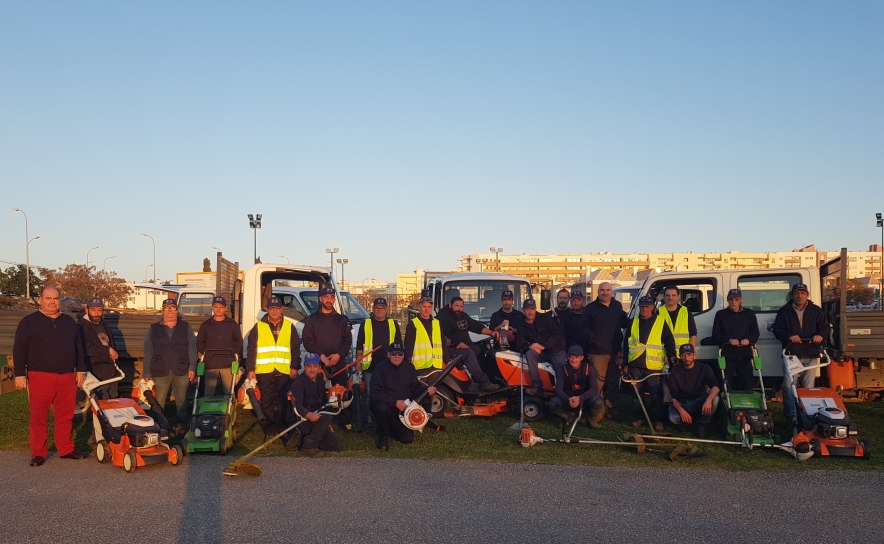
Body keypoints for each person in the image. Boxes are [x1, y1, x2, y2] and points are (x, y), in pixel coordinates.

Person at [13, 286, 89, 466]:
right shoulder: (28, 322)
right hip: (40, 376)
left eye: (55, 298)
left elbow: (78, 347)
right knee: (38, 417)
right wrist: (19, 374)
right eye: (48, 298)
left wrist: (80, 370)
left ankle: (66, 449)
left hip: (67, 376)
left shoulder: (69, 322)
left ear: (59, 300)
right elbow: (19, 349)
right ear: (41, 300)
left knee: (65, 416)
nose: (52, 302)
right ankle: (38, 453)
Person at [773, 283, 829, 428]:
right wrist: (789, 336)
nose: (799, 296)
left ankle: (807, 416)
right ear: (792, 295)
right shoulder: (784, 312)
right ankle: (791, 417)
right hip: (792, 354)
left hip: (811, 354)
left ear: (807, 295)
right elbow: (777, 330)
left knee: (808, 388)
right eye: (796, 293)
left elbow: (825, 328)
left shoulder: (816, 311)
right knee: (789, 387)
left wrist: (820, 335)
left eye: (802, 293)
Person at [246, 295, 301, 438]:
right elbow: (252, 349)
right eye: (272, 308)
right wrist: (251, 369)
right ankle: (269, 428)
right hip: (265, 371)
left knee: (283, 400)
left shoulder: (289, 326)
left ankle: (282, 427)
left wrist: (294, 366)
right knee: (267, 401)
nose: (275, 311)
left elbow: (295, 348)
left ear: (282, 309)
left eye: (277, 308)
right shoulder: (258, 327)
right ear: (267, 309)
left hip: (284, 370)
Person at [370, 342, 438, 450]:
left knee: (407, 439)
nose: (397, 356)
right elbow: (375, 393)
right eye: (393, 353)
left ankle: (389, 428)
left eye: (400, 353)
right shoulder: (380, 369)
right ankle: (383, 437)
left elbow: (415, 388)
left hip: (405, 408)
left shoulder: (409, 367)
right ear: (388, 354)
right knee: (381, 408)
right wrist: (395, 402)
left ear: (403, 355)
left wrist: (426, 391)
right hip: (387, 405)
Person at [142, 298, 198, 433]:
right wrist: (147, 373)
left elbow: (192, 349)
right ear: (162, 312)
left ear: (177, 311)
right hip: (160, 371)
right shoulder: (154, 329)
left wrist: (192, 368)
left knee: (182, 402)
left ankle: (181, 426)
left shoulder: (186, 327)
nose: (170, 312)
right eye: (167, 309)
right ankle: (160, 426)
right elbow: (148, 350)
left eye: (173, 308)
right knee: (159, 402)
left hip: (182, 370)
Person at [623, 295, 677, 432]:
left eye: (647, 306)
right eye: (642, 307)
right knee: (636, 395)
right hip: (635, 364)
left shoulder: (660, 321)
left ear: (652, 307)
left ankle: (658, 420)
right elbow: (626, 344)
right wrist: (625, 363)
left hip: (653, 367)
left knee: (656, 395)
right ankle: (639, 418)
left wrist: (672, 357)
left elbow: (669, 341)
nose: (644, 309)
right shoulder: (633, 322)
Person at [580, 282, 628, 416]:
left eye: (608, 290)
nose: (605, 293)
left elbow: (625, 322)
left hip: (615, 352)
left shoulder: (617, 306)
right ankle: (596, 411)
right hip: (598, 353)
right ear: (598, 292)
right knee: (597, 383)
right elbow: (583, 329)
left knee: (613, 382)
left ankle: (611, 408)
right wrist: (596, 341)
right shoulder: (590, 309)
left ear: (611, 291)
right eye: (602, 290)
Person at [435, 296, 501, 392]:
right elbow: (440, 336)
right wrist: (455, 343)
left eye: (461, 306)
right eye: (456, 306)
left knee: (482, 349)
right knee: (468, 352)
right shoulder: (442, 317)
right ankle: (484, 383)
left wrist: (491, 332)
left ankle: (492, 379)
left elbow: (476, 326)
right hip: (449, 350)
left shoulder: (462, 315)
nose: (459, 309)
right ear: (450, 305)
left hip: (464, 347)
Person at [288, 353, 343, 457]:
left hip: (317, 419)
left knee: (336, 446)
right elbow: (297, 407)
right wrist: (309, 414)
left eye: (315, 366)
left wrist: (326, 424)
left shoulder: (320, 381)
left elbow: (324, 402)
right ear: (304, 367)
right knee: (327, 416)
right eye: (309, 366)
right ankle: (308, 447)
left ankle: (299, 439)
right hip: (302, 419)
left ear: (319, 367)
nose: (312, 369)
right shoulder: (298, 383)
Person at [302, 285, 352, 387]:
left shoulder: (341, 320)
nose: (329, 300)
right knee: (317, 397)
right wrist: (322, 356)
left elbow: (347, 340)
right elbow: (307, 341)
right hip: (318, 365)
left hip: (338, 365)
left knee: (339, 396)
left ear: (334, 300)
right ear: (321, 299)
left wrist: (338, 355)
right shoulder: (312, 320)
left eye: (332, 297)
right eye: (326, 297)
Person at [666, 344, 720, 437]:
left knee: (715, 399)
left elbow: (716, 386)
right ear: (680, 356)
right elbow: (672, 397)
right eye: (683, 355)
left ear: (694, 355)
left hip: (699, 401)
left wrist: (708, 400)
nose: (687, 358)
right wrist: (681, 410)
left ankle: (702, 424)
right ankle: (686, 422)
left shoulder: (704, 368)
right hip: (682, 403)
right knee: (673, 418)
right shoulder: (675, 372)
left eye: (689, 354)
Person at [711, 289, 760, 391]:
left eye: (736, 299)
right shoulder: (720, 314)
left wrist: (748, 339)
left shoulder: (749, 314)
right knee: (725, 384)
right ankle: (725, 406)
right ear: (727, 300)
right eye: (731, 299)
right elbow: (715, 335)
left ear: (741, 300)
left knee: (747, 384)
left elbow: (755, 333)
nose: (733, 302)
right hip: (727, 354)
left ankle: (747, 406)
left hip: (745, 354)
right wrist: (729, 340)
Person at [517, 299, 566, 396]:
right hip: (540, 352)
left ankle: (563, 393)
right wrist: (530, 346)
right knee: (529, 354)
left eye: (532, 309)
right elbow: (520, 346)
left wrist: (543, 346)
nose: (530, 312)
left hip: (556, 349)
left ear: (535, 309)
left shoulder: (546, 318)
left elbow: (557, 334)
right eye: (527, 309)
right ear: (523, 310)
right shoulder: (521, 326)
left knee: (560, 372)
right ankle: (537, 386)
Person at [196, 296, 244, 395]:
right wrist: (206, 353)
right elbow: (199, 342)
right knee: (209, 391)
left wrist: (233, 352)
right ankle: (207, 411)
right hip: (211, 364)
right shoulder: (205, 325)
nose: (218, 309)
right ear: (212, 308)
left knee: (229, 391)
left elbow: (238, 341)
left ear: (225, 308)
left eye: (221, 307)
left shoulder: (232, 325)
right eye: (216, 307)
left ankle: (230, 410)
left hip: (228, 363)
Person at [548, 346, 605, 429]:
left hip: (584, 400)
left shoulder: (589, 369)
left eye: (577, 357)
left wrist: (580, 398)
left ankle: (591, 420)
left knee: (598, 401)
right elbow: (558, 390)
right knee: (552, 403)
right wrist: (568, 399)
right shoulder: (563, 370)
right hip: (569, 401)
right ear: (567, 357)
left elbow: (594, 389)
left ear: (582, 358)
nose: (574, 360)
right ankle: (567, 417)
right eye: (571, 357)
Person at [356, 297, 402, 393]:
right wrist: (358, 363)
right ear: (373, 309)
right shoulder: (366, 324)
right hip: (370, 366)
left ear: (387, 309)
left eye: (383, 308)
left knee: (389, 391)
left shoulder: (393, 324)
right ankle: (369, 408)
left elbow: (399, 345)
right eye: (377, 308)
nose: (380, 310)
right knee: (370, 393)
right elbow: (359, 345)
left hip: (389, 365)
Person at [80, 297, 120, 399]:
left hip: (111, 373)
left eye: (99, 310)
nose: (96, 313)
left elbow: (110, 344)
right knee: (101, 408)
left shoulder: (105, 325)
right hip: (96, 374)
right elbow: (86, 348)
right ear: (87, 310)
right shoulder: (83, 328)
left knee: (113, 406)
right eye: (93, 310)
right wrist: (108, 350)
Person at [404, 296, 445, 373]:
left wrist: (447, 360)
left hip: (436, 365)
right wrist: (407, 361)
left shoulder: (437, 323)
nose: (426, 309)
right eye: (424, 306)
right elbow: (409, 344)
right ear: (419, 308)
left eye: (429, 307)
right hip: (420, 366)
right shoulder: (413, 323)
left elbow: (443, 342)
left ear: (432, 308)